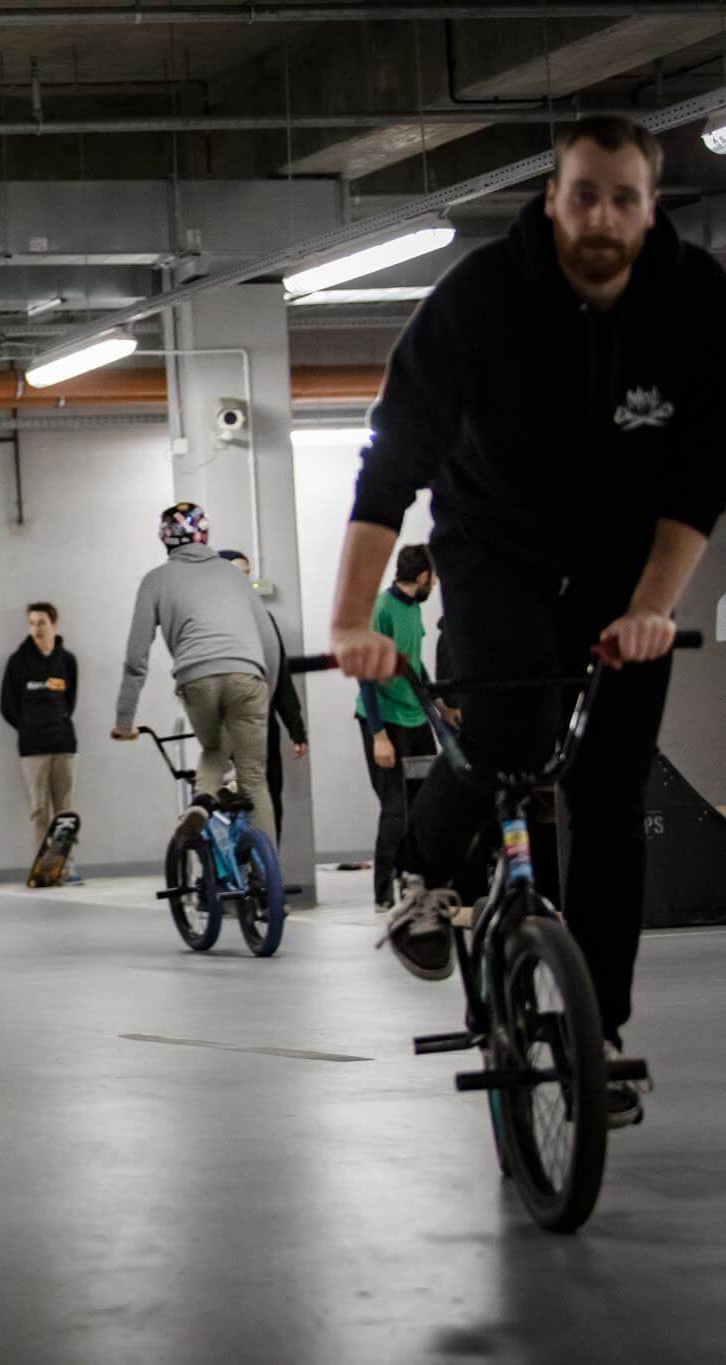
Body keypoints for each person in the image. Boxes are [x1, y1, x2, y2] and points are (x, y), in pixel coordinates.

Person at [325, 116, 726, 1127]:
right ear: (551, 199)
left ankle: (599, 1032)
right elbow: (391, 465)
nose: (601, 217)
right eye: (583, 194)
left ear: (651, 208)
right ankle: (424, 872)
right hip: (492, 545)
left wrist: (650, 608)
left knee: (608, 789)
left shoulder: (694, 305)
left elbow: (700, 479)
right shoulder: (479, 300)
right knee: (507, 735)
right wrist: (349, 620)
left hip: (622, 563)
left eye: (623, 199)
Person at [112, 503, 283, 844]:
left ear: (164, 538)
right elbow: (269, 640)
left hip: (196, 678)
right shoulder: (232, 575)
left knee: (213, 748)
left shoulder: (155, 580)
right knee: (253, 777)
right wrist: (268, 690)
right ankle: (268, 871)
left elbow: (136, 656)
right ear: (204, 534)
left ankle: (201, 801)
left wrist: (124, 720)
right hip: (248, 676)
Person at [353, 545, 438, 910]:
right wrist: (379, 736)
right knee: (396, 809)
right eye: (434, 577)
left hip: (416, 719)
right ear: (423, 577)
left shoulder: (414, 608)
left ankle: (416, 884)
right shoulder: (381, 610)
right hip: (385, 721)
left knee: (426, 803)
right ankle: (383, 894)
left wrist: (440, 706)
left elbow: (414, 664)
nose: (435, 584)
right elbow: (366, 676)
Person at [216, 550, 308, 841]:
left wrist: (296, 728)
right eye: (236, 573)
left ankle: (268, 866)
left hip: (263, 727)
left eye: (246, 572)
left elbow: (280, 674)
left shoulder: (263, 619)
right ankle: (234, 864)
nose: (243, 579)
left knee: (269, 801)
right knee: (233, 801)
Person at [0, 602, 80, 878]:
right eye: (32, 623)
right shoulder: (18, 661)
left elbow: (70, 701)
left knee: (64, 812)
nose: (36, 629)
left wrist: (58, 723)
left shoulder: (67, 661)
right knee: (40, 811)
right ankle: (44, 869)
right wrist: (28, 728)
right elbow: (7, 705)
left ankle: (65, 867)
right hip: (32, 749)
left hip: (63, 746)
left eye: (41, 623)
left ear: (54, 624)